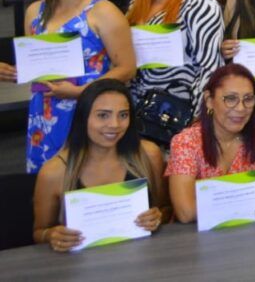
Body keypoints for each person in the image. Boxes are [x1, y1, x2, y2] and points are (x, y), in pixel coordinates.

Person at [0, 0, 136, 173]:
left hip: (91, 110)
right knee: (48, 181)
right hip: (45, 109)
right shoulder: (34, 12)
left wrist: (80, 92)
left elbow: (126, 68)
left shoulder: (105, 12)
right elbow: (40, 63)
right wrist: (15, 71)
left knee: (84, 180)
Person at [32, 79, 167, 252]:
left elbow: (165, 209)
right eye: (103, 115)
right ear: (83, 118)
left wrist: (158, 217)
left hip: (142, 257)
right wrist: (51, 235)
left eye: (123, 115)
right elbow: (38, 233)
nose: (115, 125)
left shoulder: (148, 154)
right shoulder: (54, 172)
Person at [126, 0, 224, 130]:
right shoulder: (138, 0)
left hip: (179, 115)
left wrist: (195, 122)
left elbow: (210, 67)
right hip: (137, 112)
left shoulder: (199, 3)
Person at [165, 64, 255, 224]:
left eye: (248, 99)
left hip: (250, 230)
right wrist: (248, 200)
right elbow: (186, 212)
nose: (241, 108)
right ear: (209, 100)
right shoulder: (186, 142)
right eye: (231, 99)